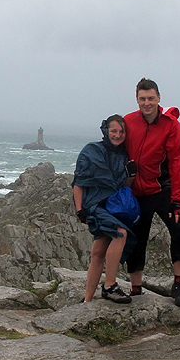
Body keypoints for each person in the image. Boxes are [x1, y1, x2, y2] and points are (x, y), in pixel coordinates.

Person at [124, 78, 180, 307]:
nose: (147, 103)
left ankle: (179, 285)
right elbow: (115, 150)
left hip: (163, 191)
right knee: (135, 240)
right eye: (142, 99)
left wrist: (177, 200)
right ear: (137, 100)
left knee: (179, 231)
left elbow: (178, 163)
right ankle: (135, 289)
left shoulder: (171, 125)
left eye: (151, 98)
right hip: (135, 193)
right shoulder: (128, 121)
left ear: (159, 98)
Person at [72, 115, 136, 304]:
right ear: (105, 131)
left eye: (121, 131)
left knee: (98, 252)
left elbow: (124, 187)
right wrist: (79, 209)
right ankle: (109, 285)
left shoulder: (123, 155)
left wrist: (131, 175)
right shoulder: (91, 151)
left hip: (112, 207)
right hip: (94, 206)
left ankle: (87, 301)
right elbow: (78, 182)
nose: (117, 135)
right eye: (113, 130)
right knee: (120, 233)